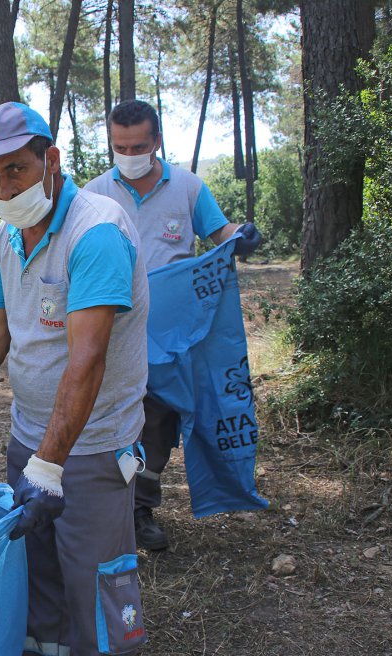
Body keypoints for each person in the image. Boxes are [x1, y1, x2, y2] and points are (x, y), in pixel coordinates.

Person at [0, 102, 150, 656]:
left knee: (97, 589)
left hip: (92, 450)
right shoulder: (8, 236)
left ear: (51, 159)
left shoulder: (94, 232)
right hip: (29, 442)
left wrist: (49, 468)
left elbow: (87, 360)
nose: (3, 187)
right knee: (38, 585)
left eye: (15, 170)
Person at [83, 99, 262, 551]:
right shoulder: (94, 192)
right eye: (119, 146)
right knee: (113, 414)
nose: (128, 154)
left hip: (170, 335)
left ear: (156, 141)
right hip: (113, 328)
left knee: (158, 419)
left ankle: (141, 509)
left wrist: (240, 236)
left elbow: (219, 233)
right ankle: (109, 508)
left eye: (137, 145)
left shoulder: (187, 188)